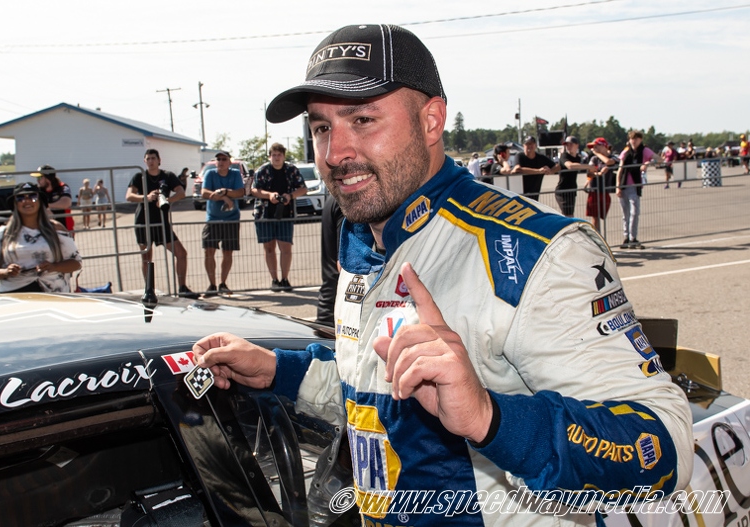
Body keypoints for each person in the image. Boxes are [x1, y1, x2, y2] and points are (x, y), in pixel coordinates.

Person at [193, 24, 693, 527]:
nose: (334, 155)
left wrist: (489, 419)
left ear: (431, 121)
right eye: (321, 128)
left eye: (363, 119)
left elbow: (666, 447)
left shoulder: (534, 251)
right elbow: (370, 387)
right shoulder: (365, 239)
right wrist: (277, 370)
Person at [125, 149, 194, 296]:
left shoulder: (167, 176)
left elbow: (181, 192)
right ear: (144, 161)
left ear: (159, 160)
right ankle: (149, 290)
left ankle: (182, 288)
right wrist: (147, 197)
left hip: (162, 222)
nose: (151, 161)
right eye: (148, 159)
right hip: (144, 222)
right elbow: (129, 196)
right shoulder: (139, 176)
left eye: (153, 158)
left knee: (181, 253)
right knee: (147, 258)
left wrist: (167, 200)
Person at [0, 182, 81, 293]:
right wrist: (5, 272)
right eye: (20, 197)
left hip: (54, 294)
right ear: (15, 204)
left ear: (40, 202)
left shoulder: (56, 229)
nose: (27, 200)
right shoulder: (3, 233)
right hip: (15, 296)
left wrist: (54, 266)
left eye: (33, 196)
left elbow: (76, 263)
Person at [251, 142, 307, 292]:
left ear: (284, 156)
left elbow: (303, 188)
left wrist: (290, 196)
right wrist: (269, 195)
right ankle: (274, 279)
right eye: (274, 155)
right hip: (264, 214)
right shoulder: (262, 170)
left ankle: (285, 279)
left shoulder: (291, 169)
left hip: (285, 214)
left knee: (285, 247)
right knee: (269, 247)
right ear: (269, 156)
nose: (276, 157)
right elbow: (254, 190)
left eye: (279, 154)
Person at [200, 150, 245, 296]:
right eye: (218, 159)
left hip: (231, 219)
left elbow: (240, 192)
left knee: (227, 252)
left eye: (224, 159)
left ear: (229, 162)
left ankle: (223, 284)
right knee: (209, 251)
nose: (220, 161)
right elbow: (205, 193)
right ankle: (212, 285)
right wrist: (225, 198)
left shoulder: (235, 173)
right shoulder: (210, 174)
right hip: (213, 219)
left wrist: (224, 192)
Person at [616, 131, 657, 249]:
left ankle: (633, 237)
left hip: (634, 185)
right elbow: (620, 170)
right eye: (632, 139)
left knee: (635, 212)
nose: (634, 141)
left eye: (636, 139)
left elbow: (658, 159)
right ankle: (626, 237)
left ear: (640, 140)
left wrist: (648, 163)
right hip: (624, 185)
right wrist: (618, 186)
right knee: (625, 213)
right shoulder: (625, 152)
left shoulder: (644, 151)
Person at [316, 194, 344, 326]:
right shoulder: (348, 202)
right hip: (339, 312)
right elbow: (344, 264)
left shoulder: (336, 199)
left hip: (331, 307)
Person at [585, 137, 617, 231]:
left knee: (602, 215)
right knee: (595, 217)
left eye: (596, 146)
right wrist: (597, 174)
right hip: (594, 190)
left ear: (604, 146)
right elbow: (589, 172)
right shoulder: (594, 158)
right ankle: (597, 239)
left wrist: (597, 153)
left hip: (605, 190)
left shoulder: (612, 157)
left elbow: (609, 162)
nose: (594, 149)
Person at [557, 136, 594, 217]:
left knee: (570, 214)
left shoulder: (578, 158)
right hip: (562, 190)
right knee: (567, 215)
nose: (568, 147)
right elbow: (570, 166)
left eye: (571, 144)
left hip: (572, 189)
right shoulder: (564, 156)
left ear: (577, 145)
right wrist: (588, 166)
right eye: (567, 145)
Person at [512, 135, 559, 201]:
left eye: (532, 144)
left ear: (535, 145)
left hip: (535, 195)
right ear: (523, 146)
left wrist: (550, 171)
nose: (530, 146)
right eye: (527, 144)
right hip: (520, 195)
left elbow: (557, 166)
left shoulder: (541, 157)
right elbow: (518, 169)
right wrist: (539, 171)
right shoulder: (519, 156)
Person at [31, 165, 74, 232]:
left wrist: (47, 206)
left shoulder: (62, 187)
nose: (37, 180)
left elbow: (66, 203)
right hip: (46, 230)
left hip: (65, 229)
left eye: (39, 177)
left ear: (48, 178)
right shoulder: (38, 190)